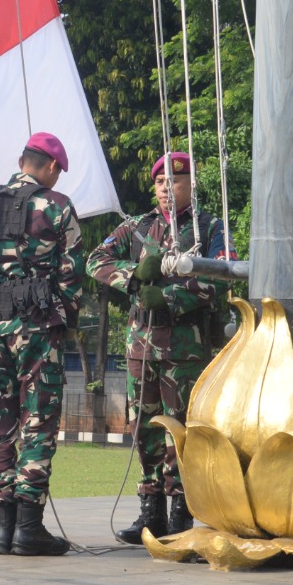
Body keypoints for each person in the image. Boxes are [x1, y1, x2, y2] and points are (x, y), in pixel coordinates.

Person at [87, 151, 230, 546]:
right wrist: (132, 278)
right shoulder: (136, 227)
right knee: (144, 429)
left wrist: (167, 297)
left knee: (181, 430)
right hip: (141, 347)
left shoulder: (209, 227)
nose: (168, 189)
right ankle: (151, 510)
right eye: (162, 183)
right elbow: (95, 260)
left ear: (191, 186)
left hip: (186, 348)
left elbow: (221, 277)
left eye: (176, 182)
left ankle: (182, 510)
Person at [0, 132, 84, 557]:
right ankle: (29, 527)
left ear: (21, 160)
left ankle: (2, 529)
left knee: (0, 423)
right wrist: (59, 318)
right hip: (37, 329)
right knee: (39, 420)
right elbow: (71, 274)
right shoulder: (58, 206)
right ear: (50, 167)